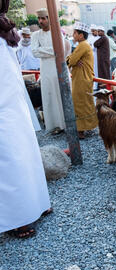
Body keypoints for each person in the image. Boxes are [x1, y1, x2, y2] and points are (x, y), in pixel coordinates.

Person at [0, 0, 51, 239]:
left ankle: (19, 218)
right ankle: (37, 204)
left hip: (6, 108)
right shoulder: (6, 31)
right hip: (13, 106)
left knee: (11, 161)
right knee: (24, 155)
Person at [31, 8, 66, 135]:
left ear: (49, 19)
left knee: (60, 95)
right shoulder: (35, 35)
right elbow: (34, 52)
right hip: (45, 70)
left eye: (43, 18)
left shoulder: (57, 33)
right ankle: (53, 125)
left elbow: (59, 50)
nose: (41, 21)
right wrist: (51, 51)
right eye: (39, 19)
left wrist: (45, 51)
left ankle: (64, 123)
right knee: (48, 96)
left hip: (58, 69)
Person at [66, 21, 98, 140]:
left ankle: (81, 129)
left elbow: (71, 61)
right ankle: (89, 126)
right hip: (82, 78)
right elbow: (72, 60)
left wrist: (71, 60)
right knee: (85, 102)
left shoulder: (83, 45)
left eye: (75, 33)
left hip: (82, 79)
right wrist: (72, 59)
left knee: (79, 102)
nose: (73, 35)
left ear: (81, 35)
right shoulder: (82, 45)